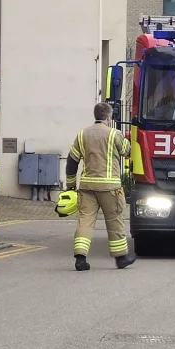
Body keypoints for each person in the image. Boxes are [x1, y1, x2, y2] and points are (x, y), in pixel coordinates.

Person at [65, 102, 136, 271]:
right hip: (110, 188)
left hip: (87, 187)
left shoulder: (82, 134)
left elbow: (72, 161)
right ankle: (121, 258)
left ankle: (80, 258)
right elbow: (127, 150)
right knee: (114, 221)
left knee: (85, 221)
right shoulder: (114, 134)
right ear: (109, 117)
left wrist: (70, 185)